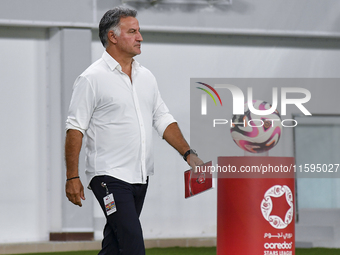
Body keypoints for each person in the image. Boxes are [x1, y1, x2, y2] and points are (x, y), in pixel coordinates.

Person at [64, 6, 203, 255]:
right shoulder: (91, 79)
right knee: (132, 245)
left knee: (115, 246)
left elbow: (162, 118)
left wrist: (188, 153)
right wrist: (72, 177)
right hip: (108, 176)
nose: (140, 37)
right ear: (113, 37)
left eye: (139, 31)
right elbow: (75, 128)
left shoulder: (146, 77)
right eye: (133, 31)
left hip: (140, 177)